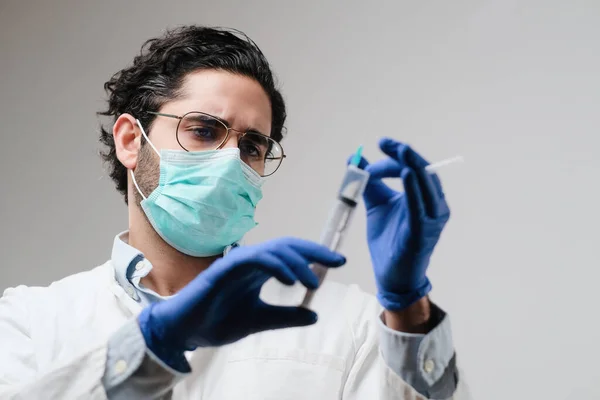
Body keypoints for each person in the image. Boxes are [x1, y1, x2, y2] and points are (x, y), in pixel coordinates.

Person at [0, 26, 471, 399]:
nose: (230, 160)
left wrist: (408, 306)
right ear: (130, 141)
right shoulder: (30, 321)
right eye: (204, 131)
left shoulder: (344, 322)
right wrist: (153, 345)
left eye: (251, 145)